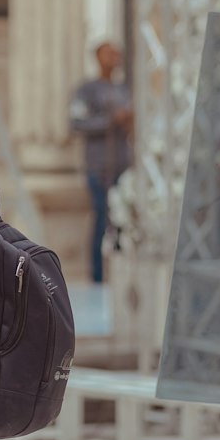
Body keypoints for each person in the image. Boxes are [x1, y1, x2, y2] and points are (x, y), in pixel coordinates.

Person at [69, 41, 132, 283]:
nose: (114, 58)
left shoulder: (123, 89)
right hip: (98, 166)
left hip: (121, 164)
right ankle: (96, 276)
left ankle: (120, 274)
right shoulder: (86, 90)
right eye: (109, 53)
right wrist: (109, 120)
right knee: (101, 217)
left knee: (121, 219)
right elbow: (76, 123)